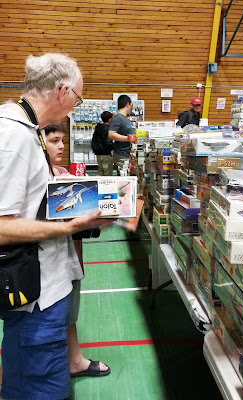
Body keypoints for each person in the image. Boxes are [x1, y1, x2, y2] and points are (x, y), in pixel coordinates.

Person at [0, 52, 111, 400]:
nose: (75, 107)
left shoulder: (27, 130)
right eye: (77, 98)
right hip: (35, 300)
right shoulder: (14, 136)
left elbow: (27, 206)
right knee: (39, 388)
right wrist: (67, 228)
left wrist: (82, 208)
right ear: (62, 91)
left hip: (47, 291)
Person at [45, 123, 110, 379]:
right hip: (47, 262)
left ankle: (74, 360)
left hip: (71, 258)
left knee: (71, 311)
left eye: (62, 140)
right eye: (53, 140)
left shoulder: (65, 175)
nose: (61, 146)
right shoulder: (43, 179)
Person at [108, 95, 136, 172]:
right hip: (122, 154)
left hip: (127, 153)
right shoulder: (118, 118)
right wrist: (127, 139)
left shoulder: (125, 118)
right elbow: (111, 134)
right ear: (128, 105)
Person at [91, 111, 114, 176]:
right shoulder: (107, 130)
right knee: (107, 173)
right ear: (110, 119)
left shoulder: (98, 127)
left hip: (98, 154)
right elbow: (108, 144)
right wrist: (114, 144)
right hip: (106, 154)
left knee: (100, 172)